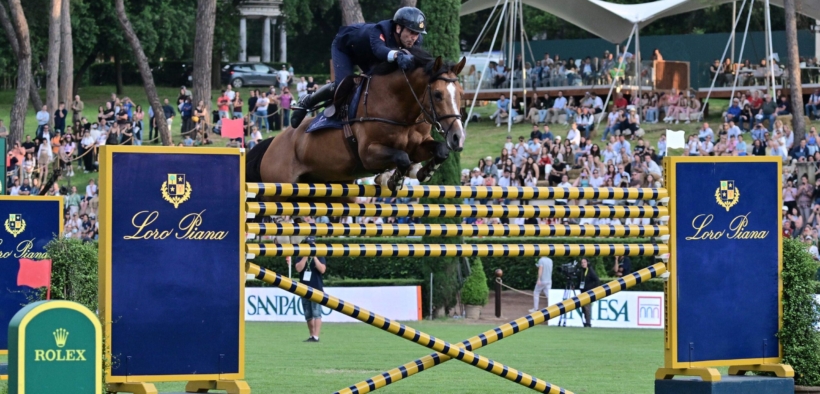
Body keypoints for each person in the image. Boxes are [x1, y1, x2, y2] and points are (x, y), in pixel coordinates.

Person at [291, 6, 426, 128]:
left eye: (417, 33)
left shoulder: (415, 40)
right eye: (411, 32)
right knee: (342, 84)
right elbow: (379, 50)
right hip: (346, 49)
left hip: (368, 56)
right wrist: (397, 55)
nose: (414, 37)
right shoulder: (379, 30)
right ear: (398, 28)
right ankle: (307, 101)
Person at [295, 236, 327, 342]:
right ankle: (311, 335)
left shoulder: (320, 255)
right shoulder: (300, 255)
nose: (311, 247)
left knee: (317, 312)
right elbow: (298, 268)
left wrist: (314, 257)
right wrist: (305, 256)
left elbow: (322, 269)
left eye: (312, 245)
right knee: (308, 314)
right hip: (304, 289)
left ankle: (316, 336)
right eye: (309, 245)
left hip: (317, 288)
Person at [577, 258, 599, 327]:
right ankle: (587, 322)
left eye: (584, 262)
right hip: (582, 292)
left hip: (588, 292)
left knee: (587, 308)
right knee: (584, 308)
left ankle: (588, 323)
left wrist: (591, 289)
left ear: (587, 263)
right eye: (582, 262)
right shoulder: (581, 271)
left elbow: (597, 280)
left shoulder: (590, 271)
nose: (583, 264)